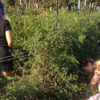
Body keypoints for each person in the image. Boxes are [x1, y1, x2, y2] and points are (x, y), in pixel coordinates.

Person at [0, 1, 14, 77]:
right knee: (9, 77)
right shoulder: (5, 22)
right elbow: (10, 42)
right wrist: (12, 50)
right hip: (3, 53)